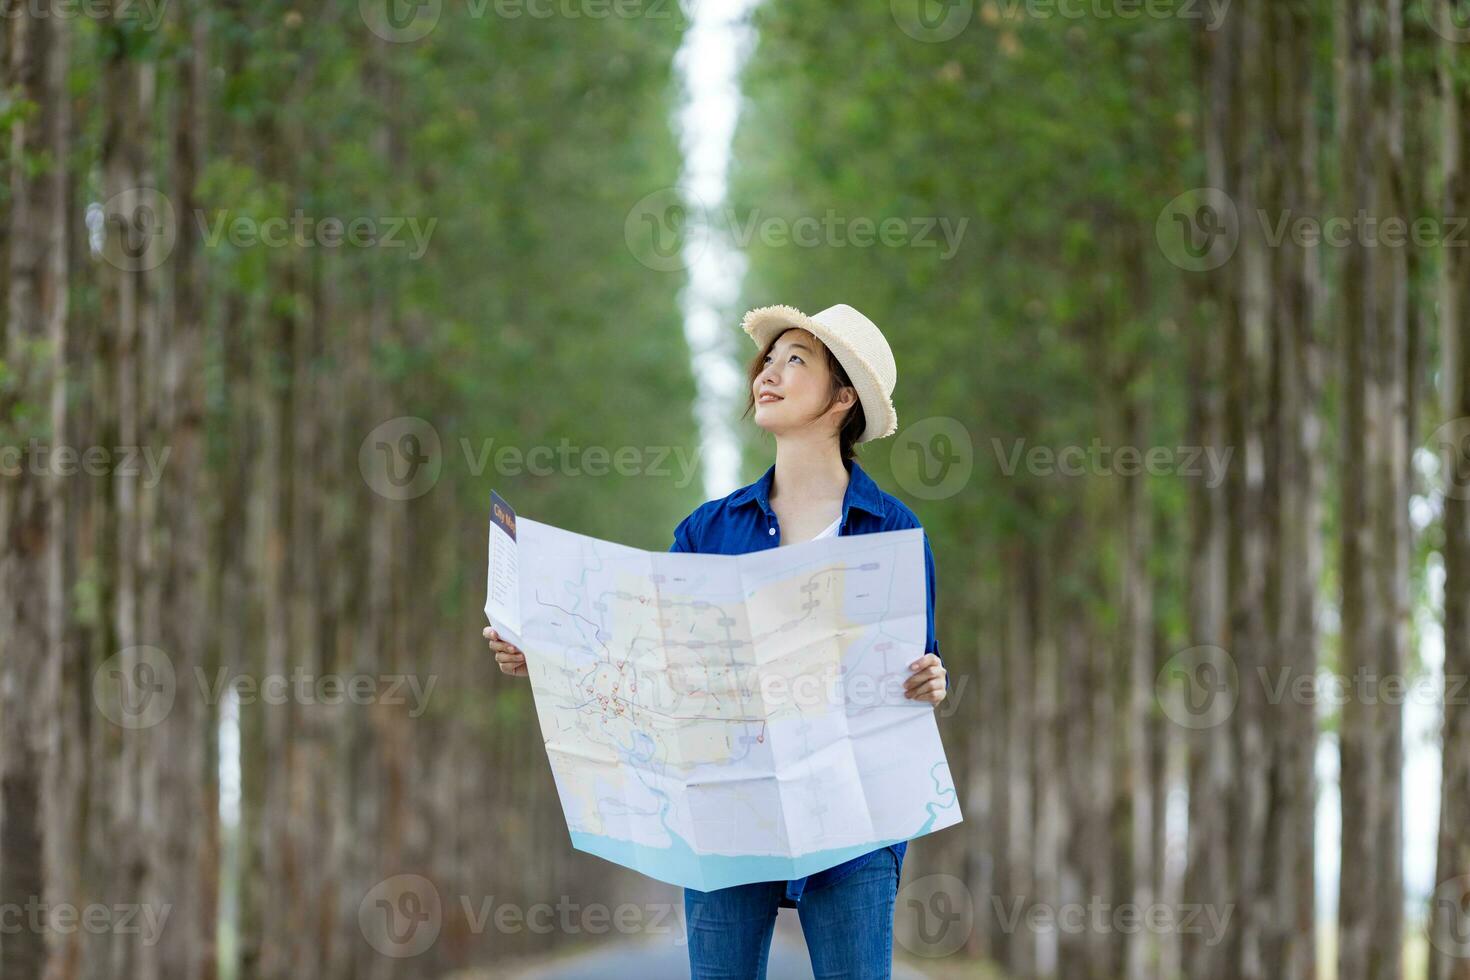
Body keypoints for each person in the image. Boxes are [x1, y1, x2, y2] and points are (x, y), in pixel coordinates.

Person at [484, 302, 947, 980]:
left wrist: (931, 679)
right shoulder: (708, 529)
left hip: (855, 816)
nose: (769, 372)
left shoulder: (892, 530)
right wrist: (545, 653)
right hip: (727, 808)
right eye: (769, 359)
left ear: (843, 396)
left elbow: (916, 668)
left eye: (797, 360)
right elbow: (643, 652)